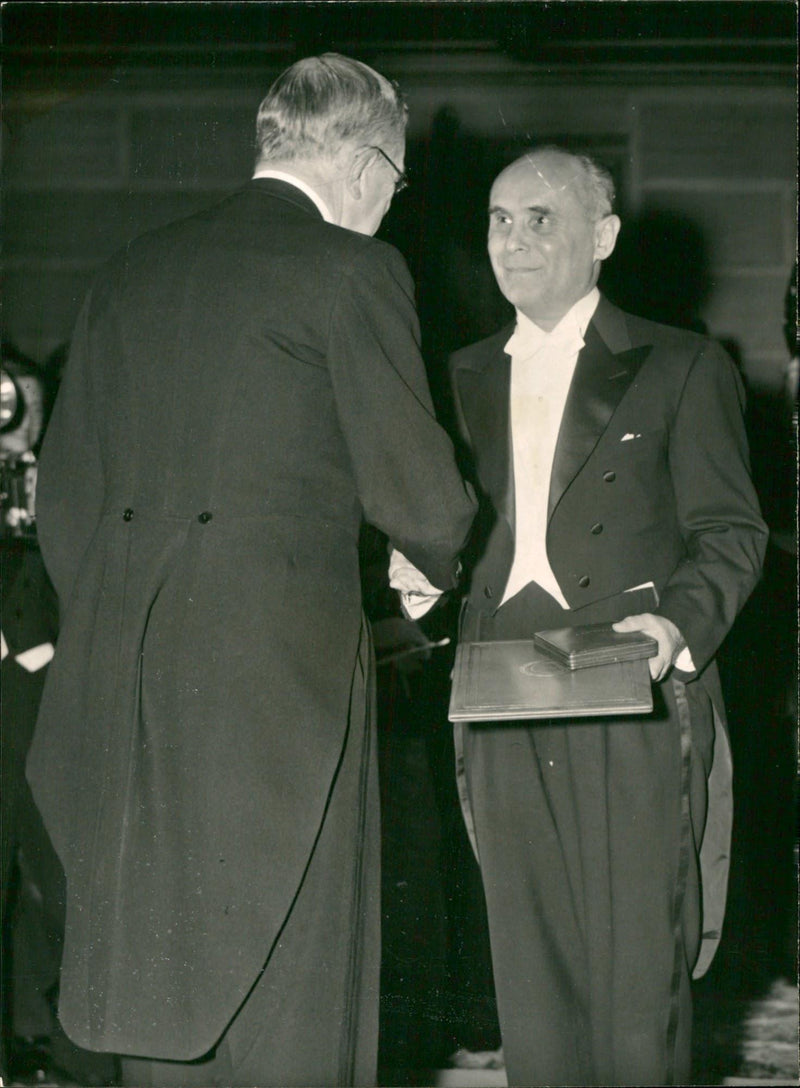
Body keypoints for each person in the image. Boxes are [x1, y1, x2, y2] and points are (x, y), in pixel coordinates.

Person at [25, 53, 475, 1088]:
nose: (390, 205)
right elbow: (426, 501)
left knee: (159, 980)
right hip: (285, 688)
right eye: (397, 183)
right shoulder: (352, 269)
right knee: (298, 997)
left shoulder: (128, 270)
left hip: (127, 686)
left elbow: (68, 500)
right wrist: (426, 576)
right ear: (366, 166)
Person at [390, 145, 768, 1086]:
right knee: (532, 970)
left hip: (626, 686)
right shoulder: (458, 374)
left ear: (603, 236)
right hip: (496, 685)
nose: (511, 241)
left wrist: (676, 625)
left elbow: (731, 531)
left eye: (540, 219)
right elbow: (452, 526)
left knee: (640, 972)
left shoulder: (681, 365)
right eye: (497, 220)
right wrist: (423, 572)